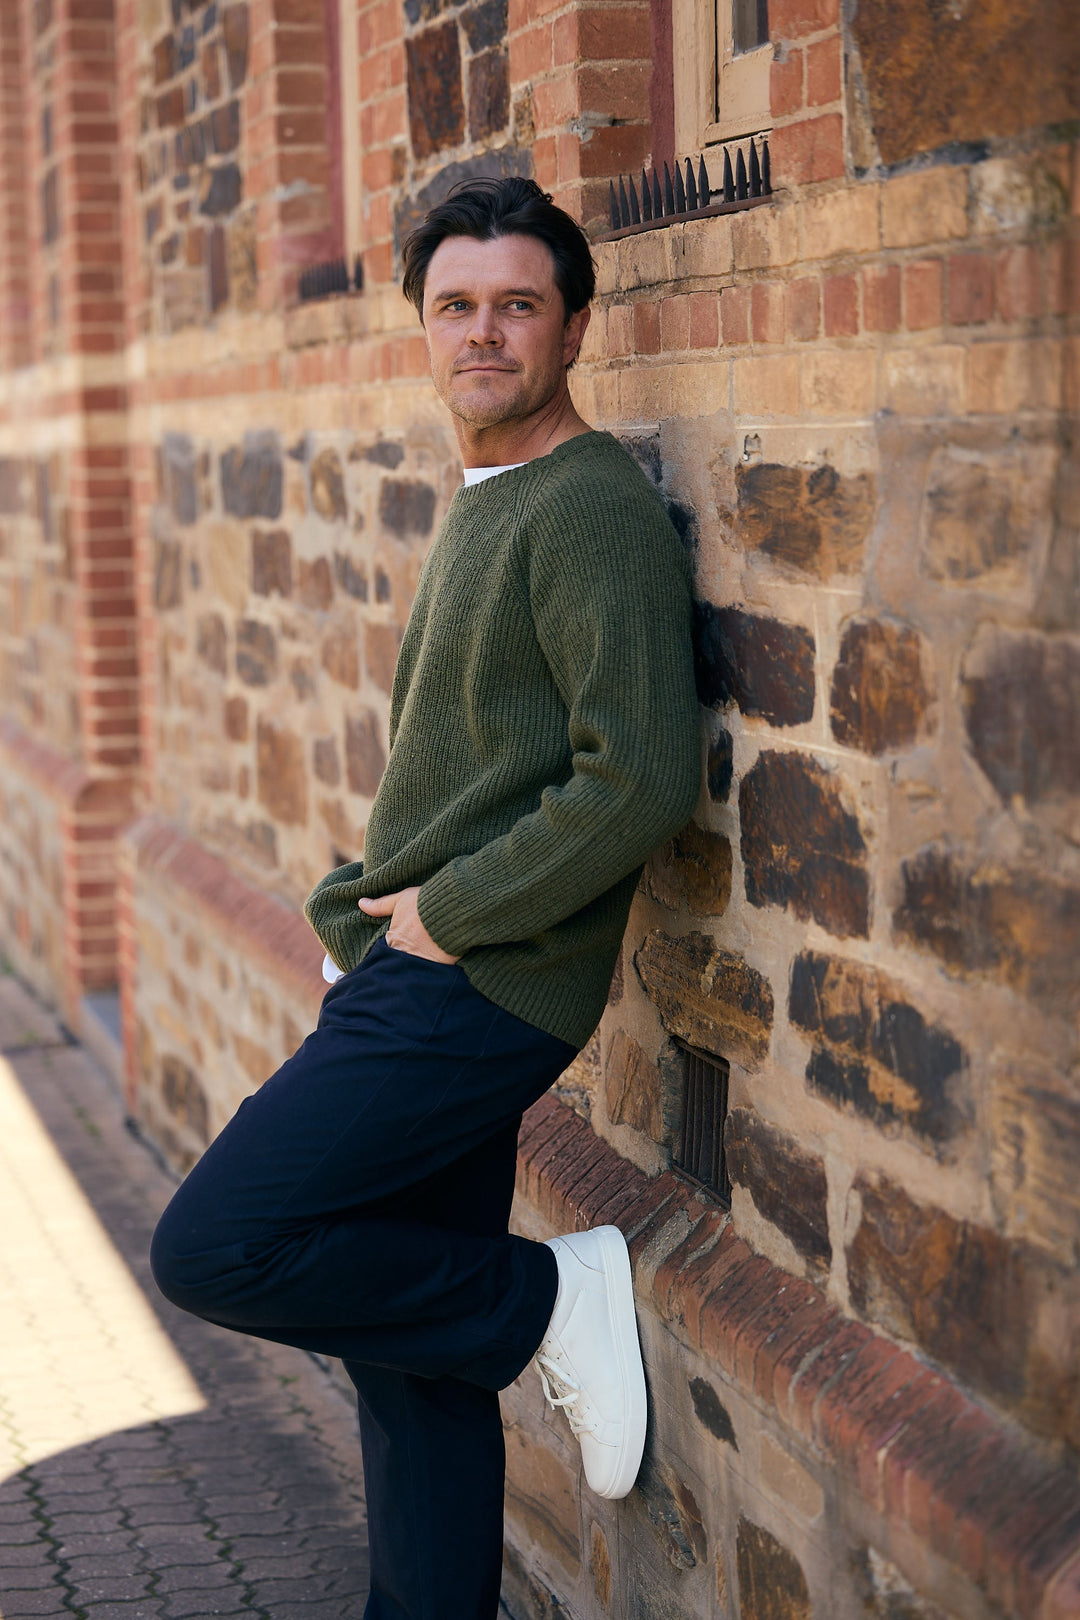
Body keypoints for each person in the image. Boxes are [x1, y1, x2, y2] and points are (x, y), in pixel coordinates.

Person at [150, 176, 701, 1620]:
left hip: (476, 983)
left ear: (573, 327)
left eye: (518, 305)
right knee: (411, 1367)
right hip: (423, 957)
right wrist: (383, 913)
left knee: (217, 1244)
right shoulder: (494, 495)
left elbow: (636, 780)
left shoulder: (586, 510)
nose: (483, 333)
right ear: (424, 327)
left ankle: (549, 1303)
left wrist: (446, 918)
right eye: (456, 306)